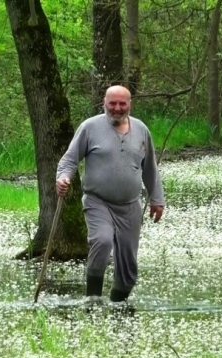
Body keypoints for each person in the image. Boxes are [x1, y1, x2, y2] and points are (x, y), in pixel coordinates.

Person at [55, 85, 165, 303]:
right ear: (104, 102)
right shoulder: (90, 127)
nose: (117, 108)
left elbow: (150, 168)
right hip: (98, 202)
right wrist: (62, 177)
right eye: (112, 103)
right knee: (102, 241)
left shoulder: (142, 130)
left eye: (122, 103)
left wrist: (157, 199)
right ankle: (92, 301)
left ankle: (118, 306)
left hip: (130, 206)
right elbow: (69, 160)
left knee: (128, 268)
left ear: (129, 104)